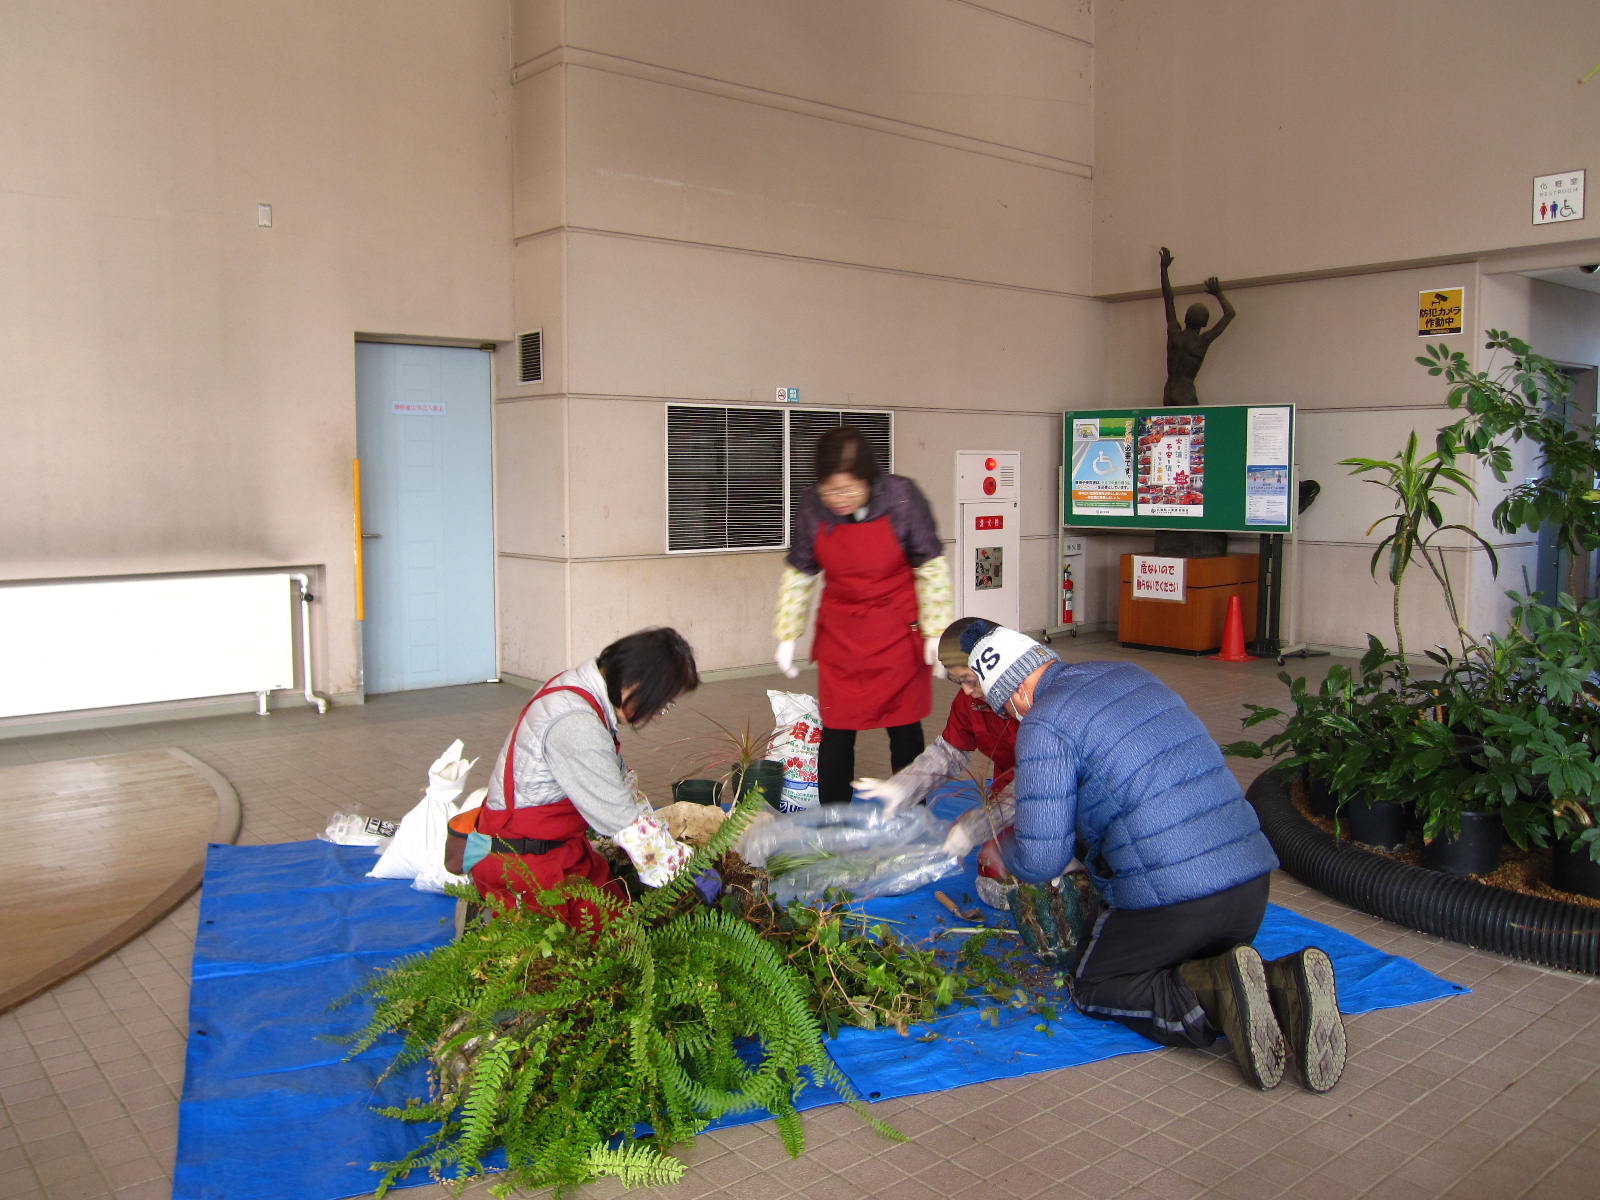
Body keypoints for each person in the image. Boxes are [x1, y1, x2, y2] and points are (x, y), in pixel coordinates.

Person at [942, 620, 1347, 1093]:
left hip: (1176, 905)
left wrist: (1000, 848)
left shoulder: (1044, 722)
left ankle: (1213, 999)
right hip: (1249, 891)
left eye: (1001, 704)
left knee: (1094, 983)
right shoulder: (1127, 673)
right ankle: (1284, 981)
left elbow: (1042, 858)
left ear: (1014, 692)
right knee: (1192, 957)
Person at [469, 627, 717, 929]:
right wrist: (684, 871)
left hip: (558, 846)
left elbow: (618, 784)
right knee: (611, 941)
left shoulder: (576, 686)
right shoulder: (576, 724)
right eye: (659, 703)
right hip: (523, 865)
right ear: (635, 683)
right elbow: (621, 819)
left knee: (616, 908)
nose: (655, 714)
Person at [773, 427, 953, 806]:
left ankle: (911, 815)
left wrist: (937, 632)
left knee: (905, 728)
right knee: (837, 731)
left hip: (896, 631)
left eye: (848, 490)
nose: (838, 500)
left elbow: (931, 567)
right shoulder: (811, 506)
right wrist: (787, 634)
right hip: (842, 635)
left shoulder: (902, 498)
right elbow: (800, 572)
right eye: (830, 491)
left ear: (869, 479)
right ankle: (833, 820)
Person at [1160, 245, 1235, 407]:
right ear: (1205, 323)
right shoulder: (1202, 341)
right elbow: (1230, 313)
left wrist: (1164, 269)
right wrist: (1218, 294)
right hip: (1185, 392)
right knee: (1194, 425)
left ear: (1185, 319)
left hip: (1168, 391)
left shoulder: (1174, 333)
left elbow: (1168, 299)